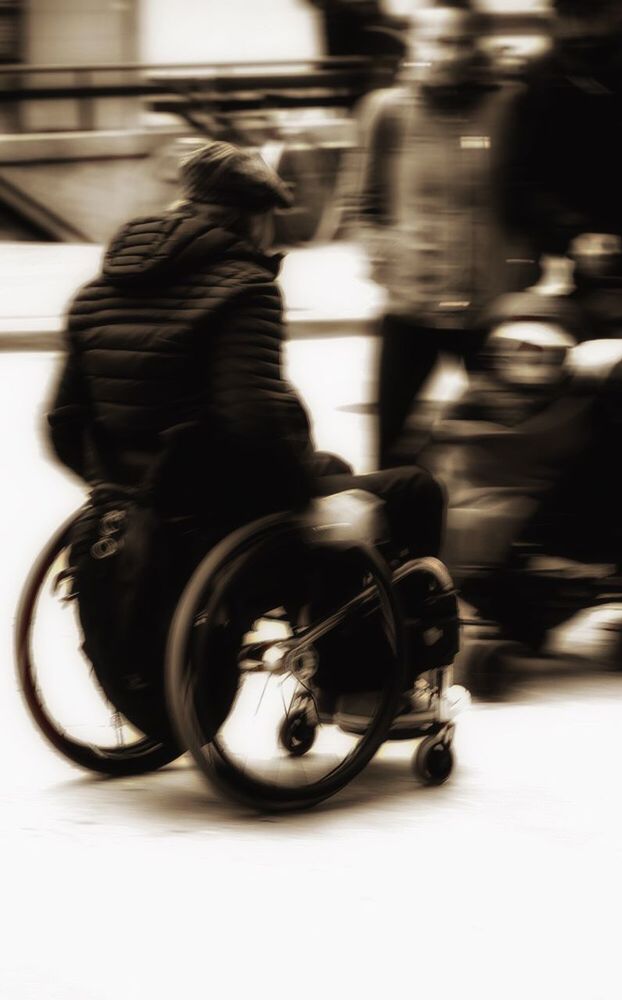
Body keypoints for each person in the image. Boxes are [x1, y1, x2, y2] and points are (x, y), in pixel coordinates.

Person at [46, 139, 452, 727]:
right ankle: (363, 686)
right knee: (410, 491)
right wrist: (306, 503)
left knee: (334, 469)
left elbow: (63, 423)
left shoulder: (97, 291)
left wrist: (118, 487)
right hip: (221, 512)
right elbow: (252, 423)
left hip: (147, 511)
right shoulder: (245, 287)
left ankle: (340, 660)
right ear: (255, 218)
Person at [357, 0, 537, 469]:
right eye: (438, 40)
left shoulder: (509, 105)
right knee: (389, 451)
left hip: (490, 309)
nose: (450, 53)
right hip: (410, 310)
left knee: (511, 446)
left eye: (461, 40)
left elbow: (529, 196)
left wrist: (521, 268)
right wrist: (385, 263)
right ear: (414, 43)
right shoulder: (387, 111)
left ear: (476, 45)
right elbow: (364, 204)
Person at [501, 0, 622, 332]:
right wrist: (574, 234)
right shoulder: (539, 78)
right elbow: (520, 177)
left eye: (592, 13)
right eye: (570, 15)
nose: (582, 30)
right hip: (567, 265)